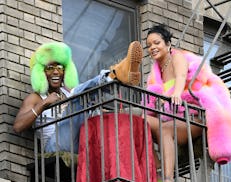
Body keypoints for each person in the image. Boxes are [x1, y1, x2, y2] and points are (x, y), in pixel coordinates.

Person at [144, 24, 231, 182]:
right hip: (170, 119)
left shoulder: (177, 57)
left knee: (165, 130)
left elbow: (180, 78)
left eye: (157, 42)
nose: (152, 47)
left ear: (168, 44)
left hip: (193, 117)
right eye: (149, 45)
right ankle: (157, 171)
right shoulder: (155, 73)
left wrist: (177, 94)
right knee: (138, 123)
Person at [13, 41, 143, 154]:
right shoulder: (36, 98)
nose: (56, 72)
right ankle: (114, 75)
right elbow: (18, 126)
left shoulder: (68, 93)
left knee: (87, 100)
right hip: (55, 146)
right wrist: (44, 103)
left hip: (79, 141)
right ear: (41, 72)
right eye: (50, 68)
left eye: (60, 67)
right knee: (78, 94)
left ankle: (116, 76)